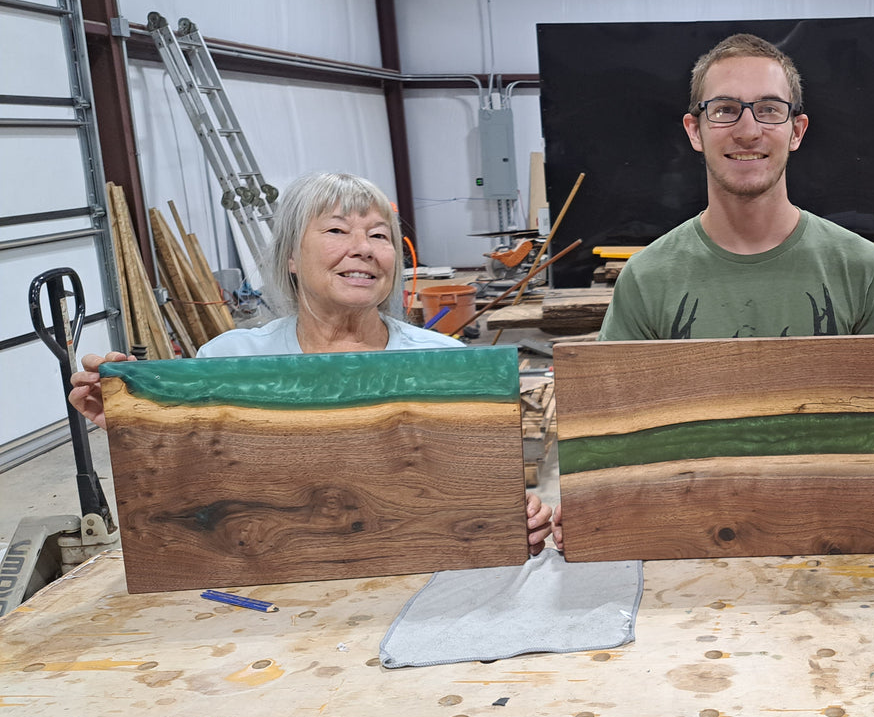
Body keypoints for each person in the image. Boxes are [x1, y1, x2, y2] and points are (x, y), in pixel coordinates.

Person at [557, 32, 874, 551]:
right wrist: (590, 505)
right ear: (694, 130)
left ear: (796, 130)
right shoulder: (649, 277)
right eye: (724, 109)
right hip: (687, 548)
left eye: (769, 109)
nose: (747, 130)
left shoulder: (859, 268)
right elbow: (614, 439)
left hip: (830, 548)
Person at [69, 171, 554, 554]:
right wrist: (140, 427)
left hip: (414, 577)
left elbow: (475, 493)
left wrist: (519, 515)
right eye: (337, 230)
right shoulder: (228, 362)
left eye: (379, 236)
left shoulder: (444, 364)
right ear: (291, 259)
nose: (362, 248)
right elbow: (197, 500)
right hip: (268, 582)